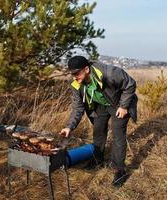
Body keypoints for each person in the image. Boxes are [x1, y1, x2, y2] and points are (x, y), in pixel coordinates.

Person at [59, 55, 138, 187]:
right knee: (98, 131)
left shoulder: (110, 73)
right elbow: (78, 107)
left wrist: (124, 106)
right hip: (100, 105)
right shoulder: (76, 84)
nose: (74, 77)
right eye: (72, 74)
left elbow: (130, 84)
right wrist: (69, 127)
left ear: (86, 69)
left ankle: (119, 170)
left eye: (76, 73)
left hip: (118, 103)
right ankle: (97, 160)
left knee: (118, 134)